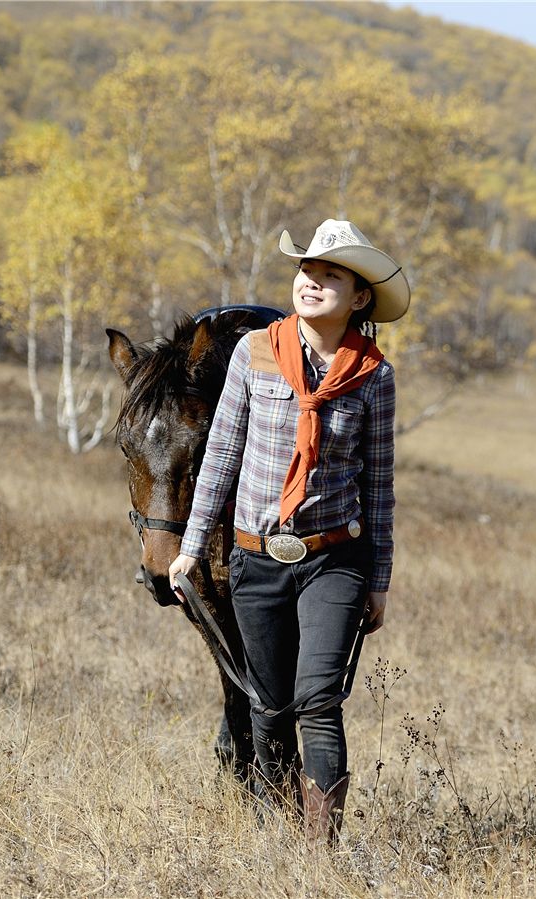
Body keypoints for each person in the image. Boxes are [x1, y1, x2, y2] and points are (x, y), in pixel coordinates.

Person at [168, 219, 407, 843]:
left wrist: (378, 580)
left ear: (358, 298)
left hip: (335, 558)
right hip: (255, 557)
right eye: (306, 271)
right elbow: (221, 454)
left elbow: (378, 487)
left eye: (330, 275)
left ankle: (320, 852)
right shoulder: (254, 353)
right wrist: (192, 547)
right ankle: (276, 836)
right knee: (268, 708)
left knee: (319, 704)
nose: (311, 282)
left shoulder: (374, 377)